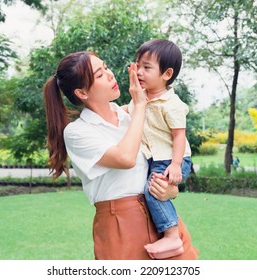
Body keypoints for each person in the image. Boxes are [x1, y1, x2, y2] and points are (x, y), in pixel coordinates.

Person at [42, 51, 198, 260]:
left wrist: (170, 190)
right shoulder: (78, 132)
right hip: (120, 225)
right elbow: (125, 158)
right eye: (99, 74)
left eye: (106, 67)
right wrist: (141, 104)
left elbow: (168, 153)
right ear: (82, 93)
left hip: (161, 219)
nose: (110, 75)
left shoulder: (129, 116)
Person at [125, 39, 191, 259]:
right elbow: (126, 111)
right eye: (138, 65)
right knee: (148, 191)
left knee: (153, 192)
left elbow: (179, 136)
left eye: (146, 67)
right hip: (155, 159)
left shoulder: (172, 104)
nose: (140, 72)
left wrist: (176, 165)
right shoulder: (139, 99)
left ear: (167, 74)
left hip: (172, 158)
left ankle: (172, 236)